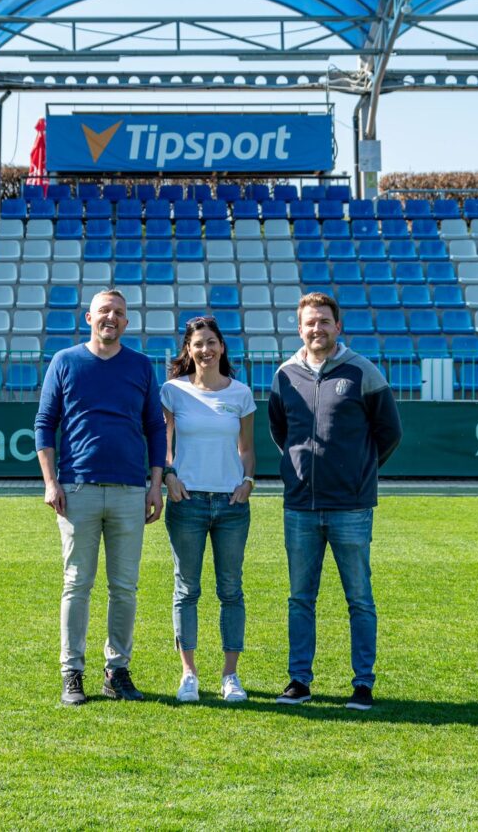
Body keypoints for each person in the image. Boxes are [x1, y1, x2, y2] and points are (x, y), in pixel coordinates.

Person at [267, 292, 402, 711]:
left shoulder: (363, 371)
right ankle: (299, 681)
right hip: (300, 507)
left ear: (338, 326)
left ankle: (363, 683)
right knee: (300, 598)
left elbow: (389, 433)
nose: (317, 328)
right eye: (310, 322)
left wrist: (357, 472)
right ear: (300, 327)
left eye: (325, 321)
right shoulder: (285, 375)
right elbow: (280, 432)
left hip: (351, 507)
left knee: (359, 598)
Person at [35, 289, 166, 707]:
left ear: (127, 323)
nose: (112, 318)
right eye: (105, 311)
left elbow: (155, 427)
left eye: (120, 313)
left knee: (125, 587)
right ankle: (71, 672)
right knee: (77, 584)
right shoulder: (65, 361)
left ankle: (117, 670)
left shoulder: (141, 366)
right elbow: (45, 424)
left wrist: (156, 482)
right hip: (77, 489)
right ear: (88, 317)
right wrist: (50, 482)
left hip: (130, 490)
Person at [160, 316, 256, 704]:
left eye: (212, 342)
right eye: (198, 343)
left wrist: (248, 482)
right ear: (188, 350)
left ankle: (230, 675)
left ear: (222, 347)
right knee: (187, 589)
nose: (206, 350)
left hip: (232, 504)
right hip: (187, 502)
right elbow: (162, 444)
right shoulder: (172, 391)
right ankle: (189, 674)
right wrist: (169, 476)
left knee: (231, 590)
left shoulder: (241, 394)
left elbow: (247, 448)